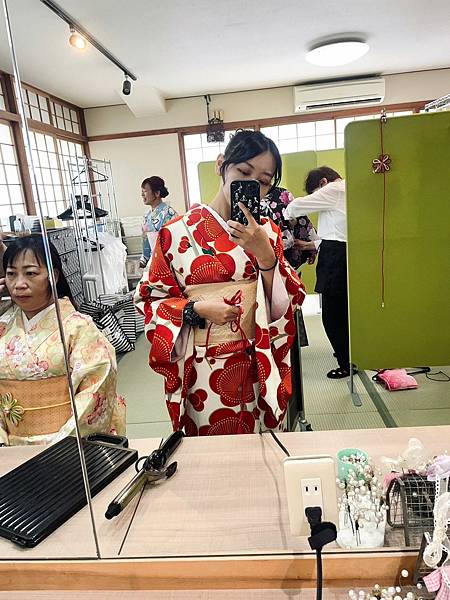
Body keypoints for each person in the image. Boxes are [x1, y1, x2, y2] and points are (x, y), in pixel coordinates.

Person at [135, 130, 305, 436]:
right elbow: (150, 299)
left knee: (261, 449)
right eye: (243, 171)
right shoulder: (175, 233)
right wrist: (195, 309)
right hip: (203, 369)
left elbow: (285, 308)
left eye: (264, 180)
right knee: (210, 451)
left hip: (258, 361)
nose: (252, 184)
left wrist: (267, 257)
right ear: (221, 165)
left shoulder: (268, 234)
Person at [0, 235, 126, 445]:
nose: (19, 284)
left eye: (31, 273)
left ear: (53, 275)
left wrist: (60, 446)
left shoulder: (78, 327)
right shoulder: (3, 326)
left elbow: (96, 390)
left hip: (67, 447)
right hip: (10, 449)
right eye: (11, 274)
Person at [284, 166, 350, 379]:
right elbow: (338, 233)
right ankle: (347, 354)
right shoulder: (346, 192)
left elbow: (294, 208)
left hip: (335, 260)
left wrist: (283, 209)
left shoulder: (333, 190)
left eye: (315, 192)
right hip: (341, 254)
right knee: (342, 311)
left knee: (332, 314)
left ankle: (345, 363)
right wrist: (310, 245)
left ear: (322, 183)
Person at [140, 176, 177, 268]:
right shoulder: (146, 215)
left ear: (157, 193)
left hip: (168, 261)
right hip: (153, 261)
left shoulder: (169, 213)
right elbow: (146, 240)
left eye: (145, 191)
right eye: (142, 192)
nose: (142, 195)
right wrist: (144, 258)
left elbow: (174, 241)